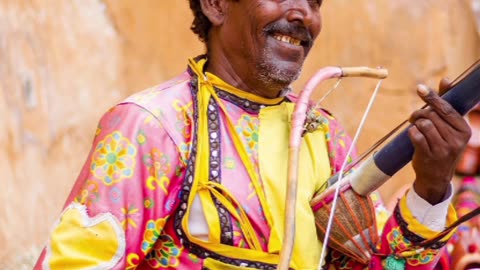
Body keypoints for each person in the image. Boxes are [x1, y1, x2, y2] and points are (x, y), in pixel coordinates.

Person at [34, 0, 472, 269]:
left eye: (315, 1)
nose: (303, 15)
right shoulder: (153, 125)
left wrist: (431, 186)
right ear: (216, 4)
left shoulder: (324, 135)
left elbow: (386, 265)